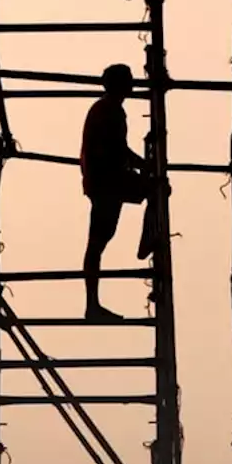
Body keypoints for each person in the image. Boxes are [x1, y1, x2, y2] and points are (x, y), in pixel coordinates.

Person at [80, 63, 151, 320]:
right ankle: (148, 241)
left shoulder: (107, 109)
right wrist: (143, 165)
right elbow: (117, 151)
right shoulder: (109, 111)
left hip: (106, 181)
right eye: (128, 80)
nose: (133, 84)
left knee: (98, 242)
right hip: (107, 182)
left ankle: (92, 304)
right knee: (157, 189)